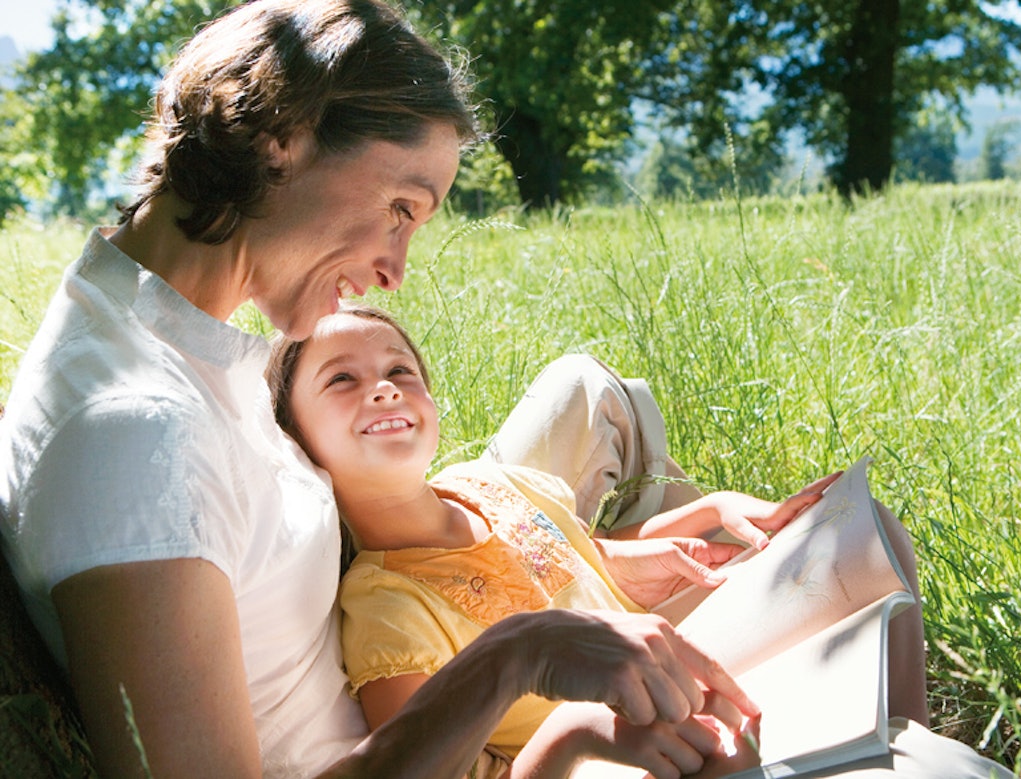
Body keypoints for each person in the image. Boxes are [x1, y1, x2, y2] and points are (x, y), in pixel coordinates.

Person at [0, 2, 759, 777]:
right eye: (400, 209)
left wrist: (582, 566)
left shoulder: (165, 339)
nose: (395, 271)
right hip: (444, 740)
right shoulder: (133, 434)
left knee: (634, 428)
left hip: (430, 661)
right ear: (282, 142)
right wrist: (516, 656)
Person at [269, 304, 1017, 779]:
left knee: (862, 532)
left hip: (673, 661)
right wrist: (573, 733)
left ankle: (891, 723)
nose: (383, 386)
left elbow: (583, 558)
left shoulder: (491, 485)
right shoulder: (382, 606)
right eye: (342, 379)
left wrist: (708, 515)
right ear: (297, 443)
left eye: (400, 368)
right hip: (605, 747)